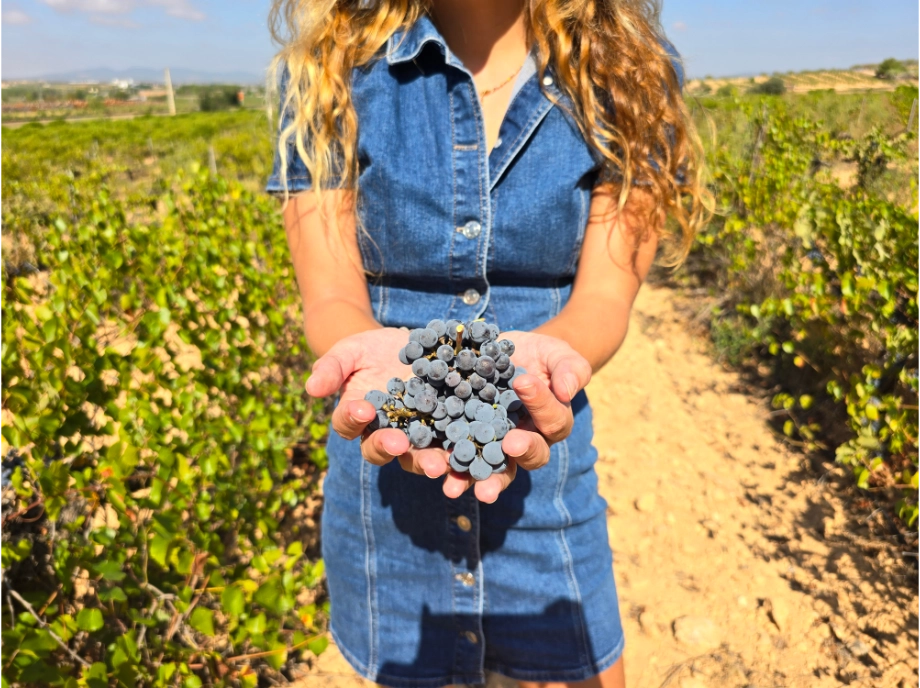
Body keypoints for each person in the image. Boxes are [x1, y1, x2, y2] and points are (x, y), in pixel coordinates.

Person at [266, 1, 707, 686]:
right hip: (386, 494)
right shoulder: (328, 74)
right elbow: (332, 299)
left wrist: (550, 364)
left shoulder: (629, 76)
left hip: (543, 476)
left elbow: (600, 300)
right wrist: (378, 370)